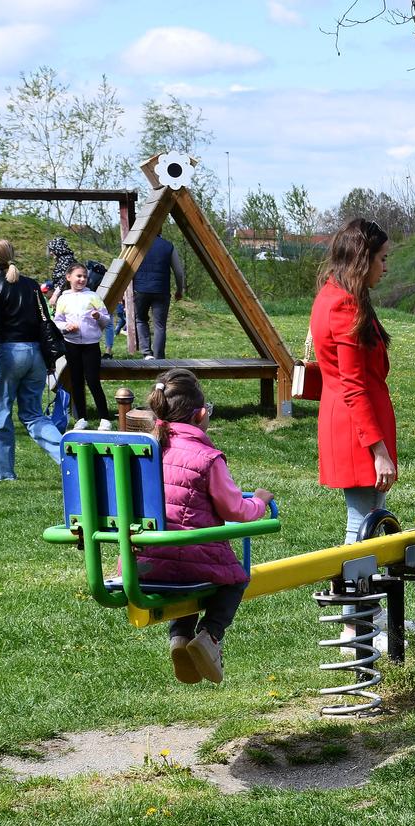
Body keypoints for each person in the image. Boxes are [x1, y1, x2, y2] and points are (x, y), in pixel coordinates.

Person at [138, 370, 273, 685]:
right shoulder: (207, 457)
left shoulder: (143, 450)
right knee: (235, 579)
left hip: (142, 562)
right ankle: (210, 635)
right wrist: (262, 502)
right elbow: (235, 509)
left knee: (184, 570)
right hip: (190, 558)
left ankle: (180, 636)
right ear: (201, 414)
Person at [312, 218, 397, 543]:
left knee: (371, 518)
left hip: (357, 426)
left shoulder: (337, 295)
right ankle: (352, 593)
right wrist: (378, 451)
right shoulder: (343, 304)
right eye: (382, 258)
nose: (385, 268)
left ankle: (363, 591)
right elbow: (353, 385)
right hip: (357, 430)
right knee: (362, 524)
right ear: (364, 259)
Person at [0, 238, 62, 481]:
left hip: (8, 355)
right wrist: (48, 359)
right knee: (34, 414)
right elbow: (45, 321)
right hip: (35, 353)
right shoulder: (32, 284)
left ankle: (3, 473)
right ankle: (70, 460)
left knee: (0, 414)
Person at [52, 264, 113, 430]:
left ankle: (105, 418)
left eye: (85, 276)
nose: (82, 279)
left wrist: (98, 315)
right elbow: (57, 321)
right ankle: (82, 418)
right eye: (78, 276)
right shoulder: (63, 299)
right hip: (71, 345)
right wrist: (66, 327)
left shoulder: (93, 296)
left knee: (93, 381)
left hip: (91, 345)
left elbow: (106, 320)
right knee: (76, 381)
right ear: (68, 277)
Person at [133, 230, 185, 361]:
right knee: (160, 325)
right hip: (162, 290)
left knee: (141, 320)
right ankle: (158, 357)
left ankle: (147, 353)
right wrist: (179, 290)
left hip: (141, 289)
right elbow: (179, 272)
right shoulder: (168, 246)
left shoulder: (138, 245)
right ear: (161, 230)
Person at [45, 237, 81, 303]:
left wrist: (55, 295)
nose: (50, 253)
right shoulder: (63, 260)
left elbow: (64, 279)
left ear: (58, 249)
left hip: (70, 297)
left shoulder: (66, 260)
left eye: (52, 250)